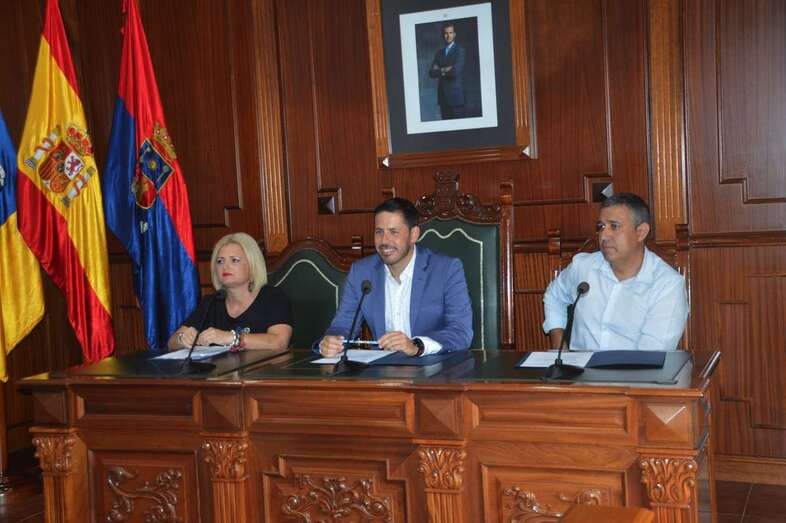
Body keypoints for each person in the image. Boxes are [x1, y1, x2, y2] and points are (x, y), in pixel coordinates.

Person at [317, 197, 472, 358]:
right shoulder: (362, 272)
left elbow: (461, 332)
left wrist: (416, 346)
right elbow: (342, 326)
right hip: (382, 370)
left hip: (435, 368)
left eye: (394, 232)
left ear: (413, 234)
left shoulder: (446, 270)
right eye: (379, 232)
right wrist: (331, 342)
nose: (384, 241)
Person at [542, 193, 688, 351]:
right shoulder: (583, 267)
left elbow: (651, 356)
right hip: (578, 366)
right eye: (601, 227)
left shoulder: (667, 285)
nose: (603, 235)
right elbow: (554, 296)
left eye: (614, 226)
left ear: (640, 232)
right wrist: (559, 346)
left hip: (634, 367)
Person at [168, 232, 292, 351]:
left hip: (264, 366)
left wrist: (231, 338)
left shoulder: (273, 297)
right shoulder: (211, 302)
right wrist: (182, 339)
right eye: (220, 261)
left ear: (252, 264)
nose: (225, 266)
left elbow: (279, 342)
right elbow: (171, 343)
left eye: (234, 260)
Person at [429, 22, 465, 119]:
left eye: (450, 33)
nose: (448, 36)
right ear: (443, 35)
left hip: (455, 98)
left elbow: (455, 72)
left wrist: (439, 70)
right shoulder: (439, 52)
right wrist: (445, 69)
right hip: (442, 98)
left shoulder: (459, 51)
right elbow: (431, 73)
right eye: (446, 33)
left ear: (454, 34)